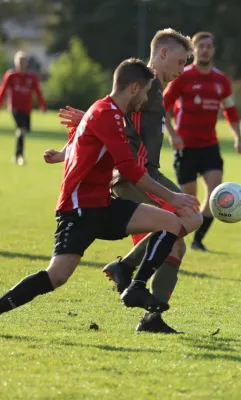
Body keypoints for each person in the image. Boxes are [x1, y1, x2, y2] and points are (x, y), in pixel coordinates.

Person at [0, 58, 199, 320]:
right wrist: (172, 195)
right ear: (134, 88)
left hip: (102, 205)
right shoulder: (107, 113)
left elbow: (85, 144)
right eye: (147, 91)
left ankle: (136, 286)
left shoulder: (106, 111)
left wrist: (63, 154)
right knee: (57, 276)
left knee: (171, 223)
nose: (147, 96)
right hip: (79, 209)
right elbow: (129, 169)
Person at [56, 29, 200, 334]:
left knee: (176, 245)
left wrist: (71, 141)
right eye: (179, 61)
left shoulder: (156, 88)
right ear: (162, 54)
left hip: (145, 172)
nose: (181, 69)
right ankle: (126, 269)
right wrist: (84, 123)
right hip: (135, 175)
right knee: (189, 216)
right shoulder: (145, 82)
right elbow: (108, 111)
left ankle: (152, 317)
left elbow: (110, 119)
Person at [163, 31, 241, 252]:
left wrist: (238, 137)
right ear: (194, 50)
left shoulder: (221, 80)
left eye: (209, 46)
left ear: (214, 50)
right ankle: (172, 237)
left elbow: (231, 111)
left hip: (209, 145)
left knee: (215, 191)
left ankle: (198, 240)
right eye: (201, 46)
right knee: (190, 200)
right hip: (185, 147)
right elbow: (163, 107)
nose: (205, 50)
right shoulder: (183, 76)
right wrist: (173, 134)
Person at [0, 50, 46, 166]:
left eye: (23, 62)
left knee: (23, 131)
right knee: (21, 129)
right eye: (19, 62)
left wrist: (42, 105)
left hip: (27, 109)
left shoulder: (31, 77)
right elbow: (3, 90)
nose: (21, 65)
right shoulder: (10, 76)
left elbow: (38, 92)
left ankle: (16, 156)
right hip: (15, 108)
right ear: (15, 63)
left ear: (26, 63)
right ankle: (20, 156)